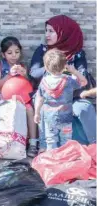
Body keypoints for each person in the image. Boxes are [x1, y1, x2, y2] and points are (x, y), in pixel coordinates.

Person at [30, 15, 96, 145]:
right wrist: (52, 66)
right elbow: (34, 73)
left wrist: (65, 71)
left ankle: (93, 144)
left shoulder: (77, 53)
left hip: (71, 94)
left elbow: (82, 74)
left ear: (63, 33)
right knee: (45, 110)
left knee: (84, 108)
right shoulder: (42, 50)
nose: (47, 34)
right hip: (47, 95)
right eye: (46, 30)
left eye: (51, 31)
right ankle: (44, 146)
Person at [34, 49, 87, 151]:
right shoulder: (69, 81)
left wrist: (37, 113)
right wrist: (74, 71)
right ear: (64, 66)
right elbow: (84, 82)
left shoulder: (44, 81)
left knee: (50, 141)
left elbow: (39, 98)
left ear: (46, 67)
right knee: (66, 142)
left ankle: (52, 162)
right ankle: (64, 162)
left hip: (49, 118)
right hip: (66, 118)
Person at [0, 36, 39, 157]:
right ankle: (11, 142)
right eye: (9, 53)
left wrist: (25, 75)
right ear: (3, 54)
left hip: (22, 99)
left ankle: (33, 143)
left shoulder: (23, 66)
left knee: (30, 109)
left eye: (17, 52)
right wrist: (9, 75)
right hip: (6, 99)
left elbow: (29, 86)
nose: (14, 55)